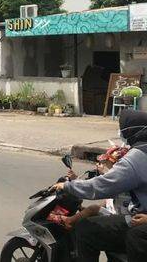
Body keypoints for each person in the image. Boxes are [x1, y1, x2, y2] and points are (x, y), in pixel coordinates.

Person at [52, 109, 147, 261]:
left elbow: (102, 186)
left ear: (131, 131)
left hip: (139, 220)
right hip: (137, 216)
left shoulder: (136, 158)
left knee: (85, 229)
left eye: (122, 129)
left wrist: (67, 186)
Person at [49, 146, 131, 229]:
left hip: (121, 218)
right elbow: (106, 195)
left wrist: (66, 185)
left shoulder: (118, 179)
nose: (104, 164)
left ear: (115, 163)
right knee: (96, 207)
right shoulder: (123, 177)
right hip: (118, 211)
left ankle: (68, 221)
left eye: (106, 162)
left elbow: (93, 187)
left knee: (93, 208)